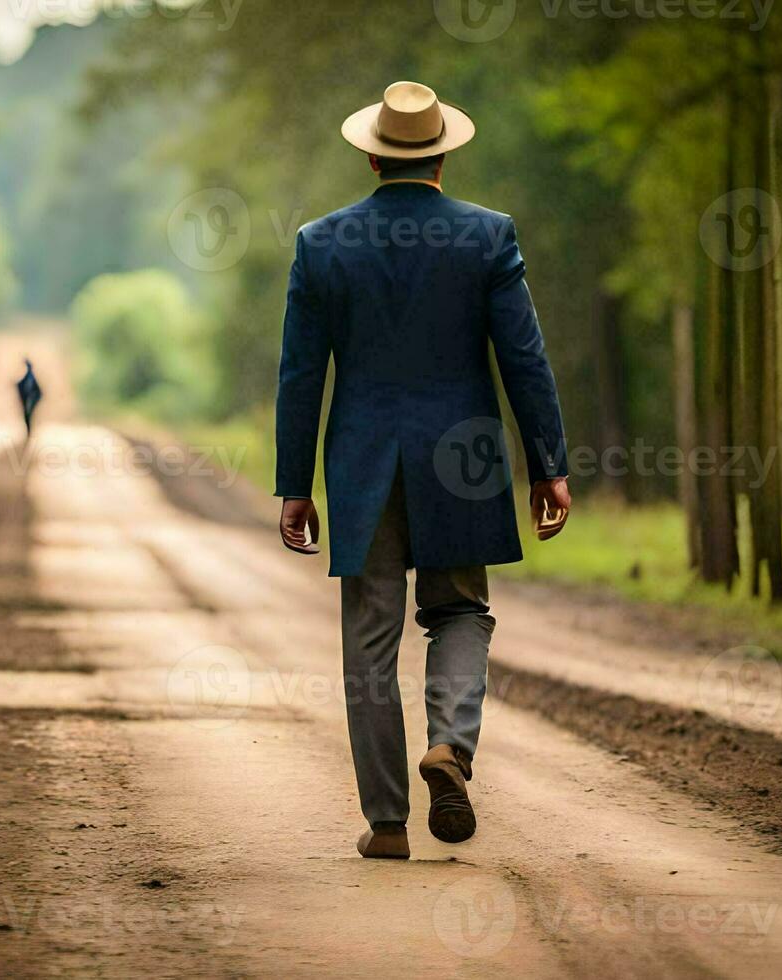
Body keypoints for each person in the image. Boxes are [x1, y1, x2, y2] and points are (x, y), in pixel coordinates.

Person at [274, 81, 572, 860]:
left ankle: (387, 823)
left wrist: (294, 484)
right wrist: (549, 465)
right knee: (460, 610)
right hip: (463, 456)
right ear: (442, 153)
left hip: (363, 459)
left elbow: (300, 374)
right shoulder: (488, 237)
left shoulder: (320, 243)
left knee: (369, 641)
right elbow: (525, 359)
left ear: (372, 153)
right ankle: (451, 745)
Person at [17, 358, 42, 438]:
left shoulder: (31, 378)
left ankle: (30, 433)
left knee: (29, 416)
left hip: (30, 400)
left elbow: (37, 391)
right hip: (27, 400)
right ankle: (29, 433)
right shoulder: (26, 378)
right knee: (27, 416)